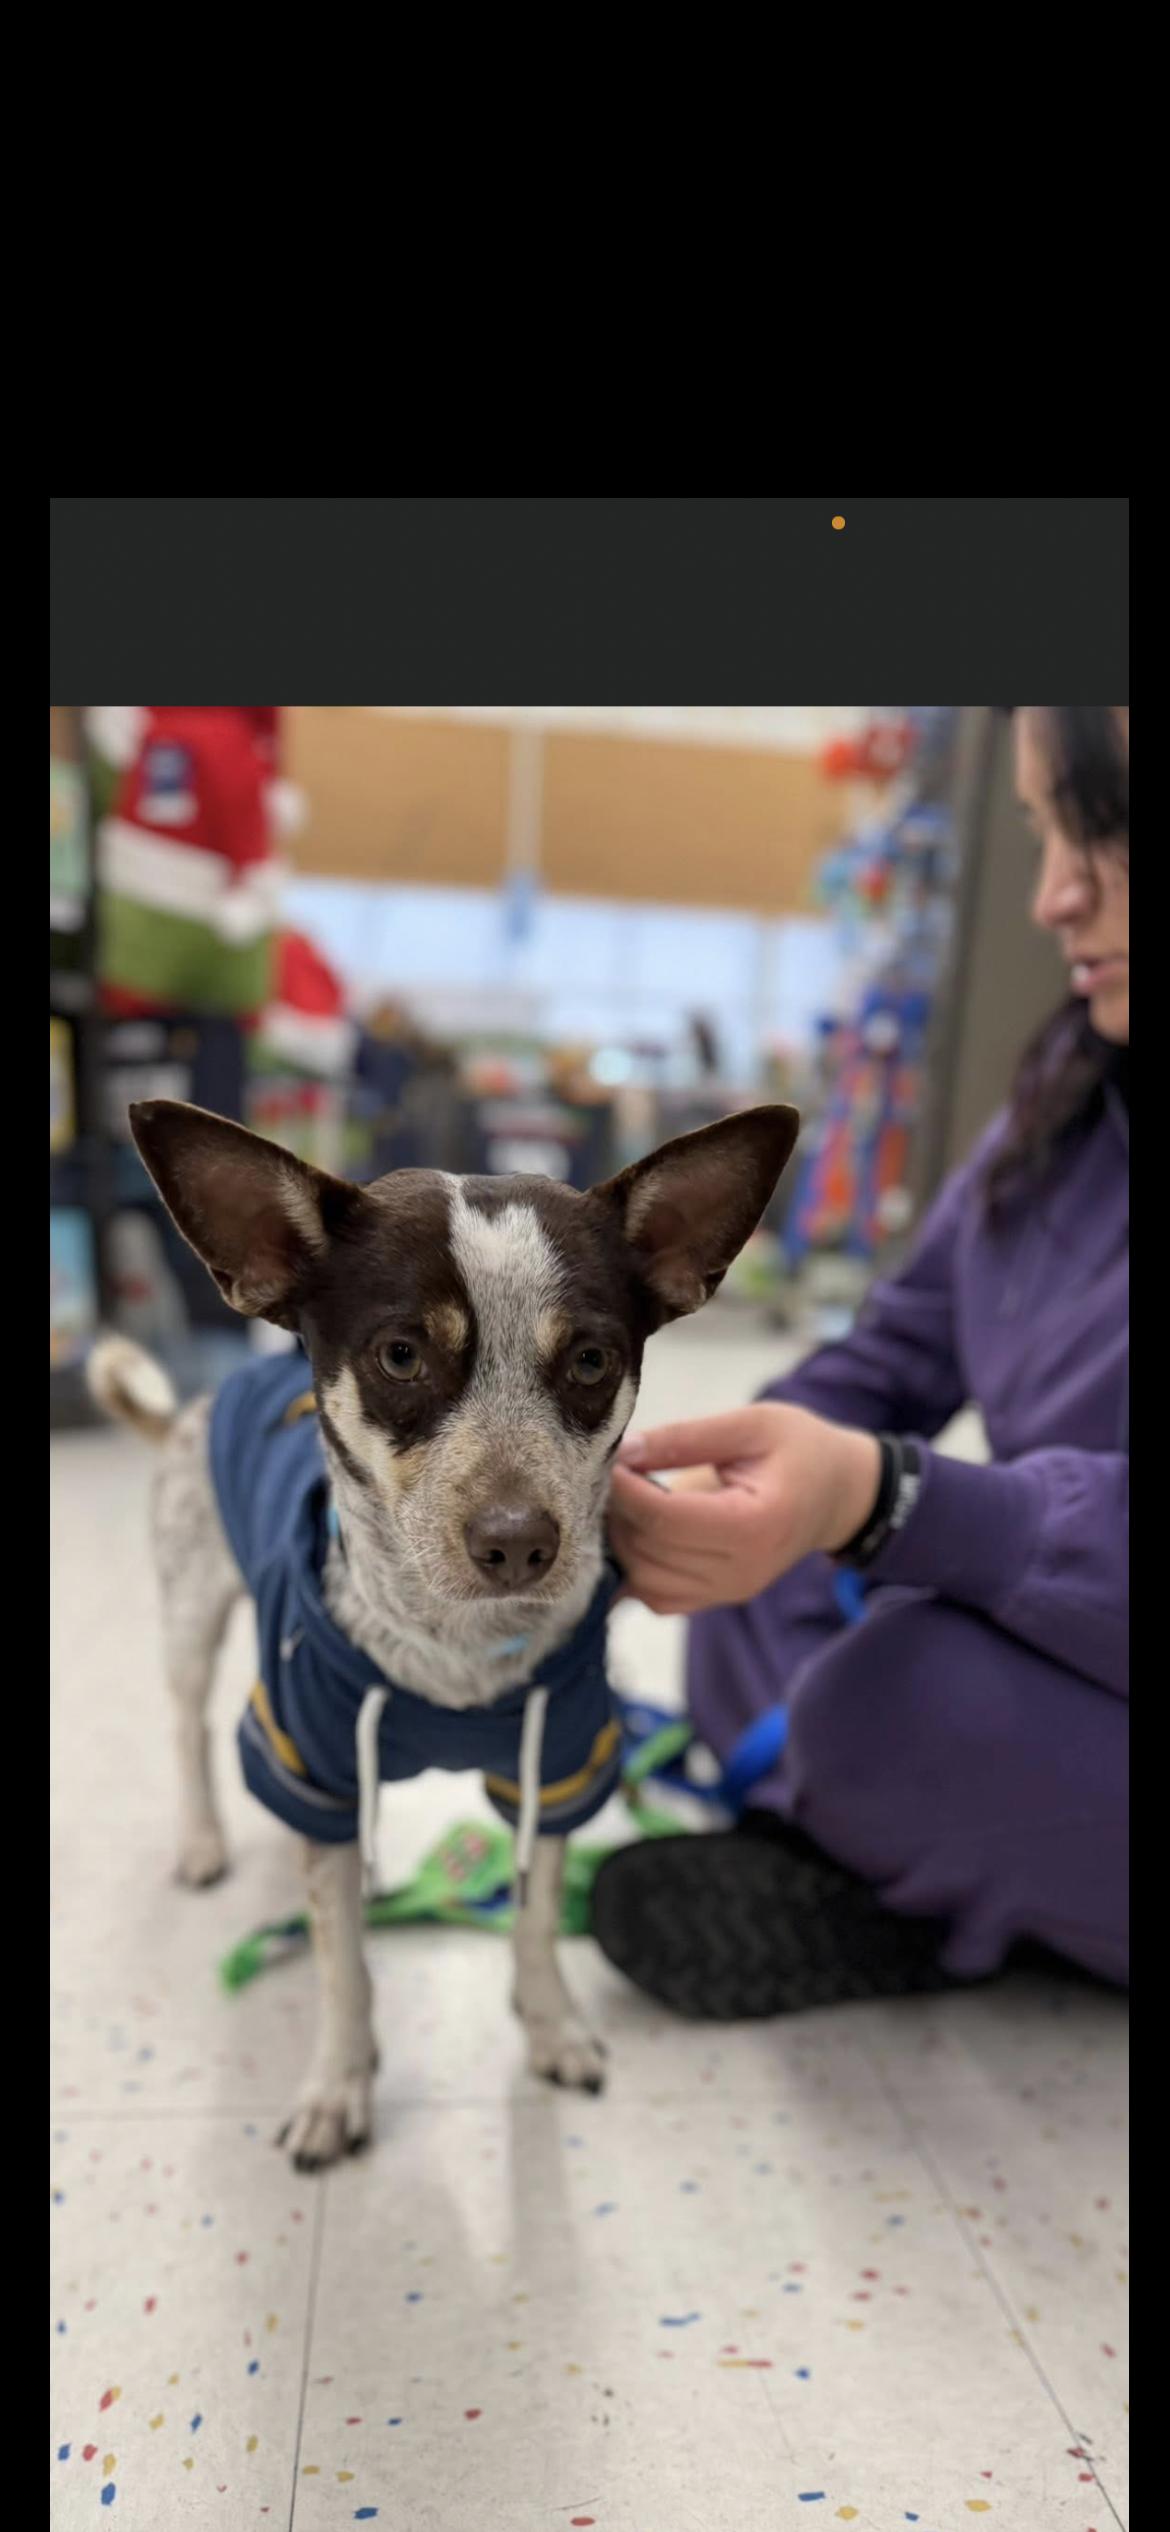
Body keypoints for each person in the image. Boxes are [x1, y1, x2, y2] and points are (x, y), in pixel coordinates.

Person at [595, 708, 1128, 2018]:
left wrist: (886, 1500)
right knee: (751, 1582)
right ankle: (924, 1856)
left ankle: (880, 1858)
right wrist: (728, 1481)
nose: (1056, 896)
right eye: (1045, 833)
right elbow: (892, 1351)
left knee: (899, 1696)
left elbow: (923, 1500)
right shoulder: (1067, 1098)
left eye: (1109, 829)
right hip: (1070, 1633)